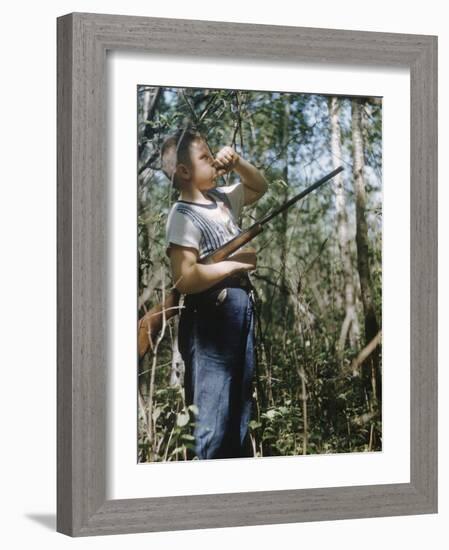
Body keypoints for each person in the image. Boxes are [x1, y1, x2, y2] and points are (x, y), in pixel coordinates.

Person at [161, 127, 268, 459]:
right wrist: (234, 267)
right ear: (183, 171)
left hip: (239, 311)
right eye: (205, 157)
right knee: (212, 419)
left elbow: (259, 186)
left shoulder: (222, 198)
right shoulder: (182, 215)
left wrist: (236, 162)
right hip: (211, 315)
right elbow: (185, 279)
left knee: (239, 412)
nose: (213, 161)